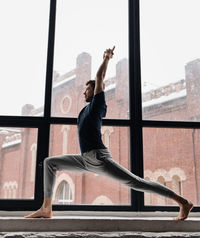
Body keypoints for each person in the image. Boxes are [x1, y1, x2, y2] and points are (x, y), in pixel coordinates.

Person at [25, 46, 193, 220]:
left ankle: (182, 202)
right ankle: (46, 208)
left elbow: (100, 77)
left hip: (99, 158)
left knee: (136, 182)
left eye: (88, 89)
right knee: (50, 163)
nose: (84, 91)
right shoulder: (85, 110)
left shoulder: (98, 105)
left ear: (96, 90)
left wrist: (106, 58)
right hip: (85, 159)